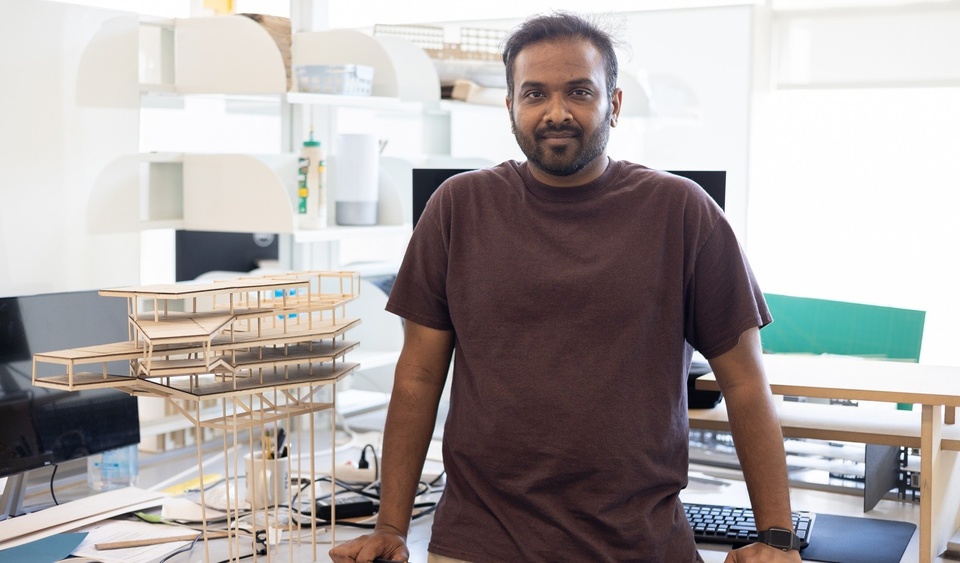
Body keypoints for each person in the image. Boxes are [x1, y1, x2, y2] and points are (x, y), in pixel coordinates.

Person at [330, 11, 800, 563]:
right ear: (511, 108)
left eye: (579, 91)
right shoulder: (458, 208)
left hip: (640, 545)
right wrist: (392, 525)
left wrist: (775, 538)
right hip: (481, 543)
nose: (556, 112)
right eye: (534, 94)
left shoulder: (682, 212)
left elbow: (745, 383)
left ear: (614, 104)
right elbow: (417, 377)